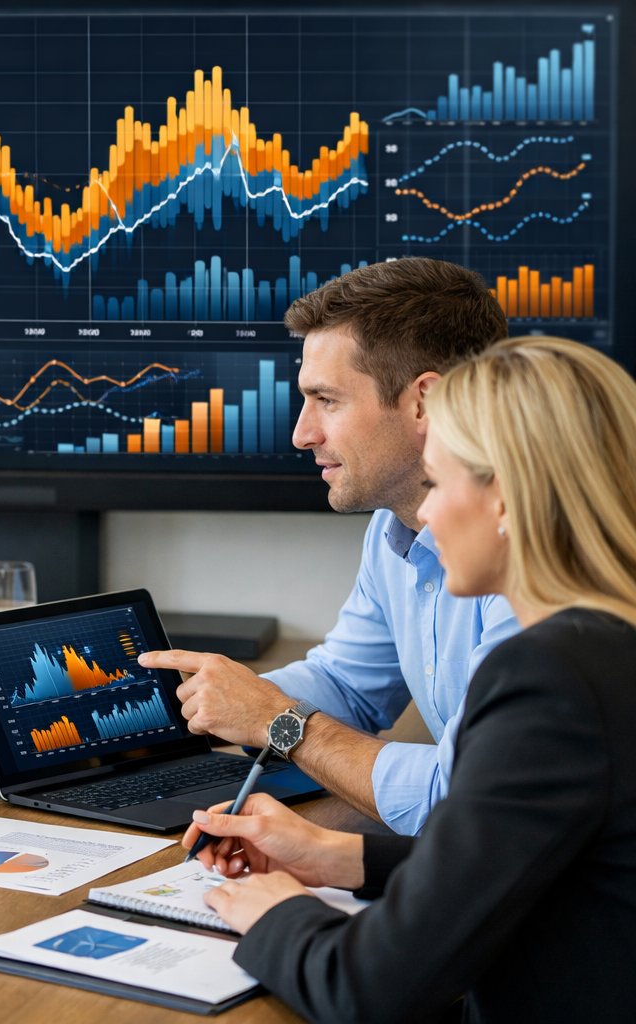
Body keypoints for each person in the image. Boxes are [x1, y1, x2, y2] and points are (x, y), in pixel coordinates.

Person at [182, 337, 636, 1021]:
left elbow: (370, 987)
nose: (423, 516)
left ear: (506, 500)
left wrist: (279, 916)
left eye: (440, 482)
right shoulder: (605, 648)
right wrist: (336, 856)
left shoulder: (548, 677)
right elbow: (533, 864)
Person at [137, 258, 518, 834]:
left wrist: (275, 718)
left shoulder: (531, 553)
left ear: (425, 402)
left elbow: (464, 797)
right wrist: (201, 704)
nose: (302, 433)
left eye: (327, 400)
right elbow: (348, 684)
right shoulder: (395, 528)